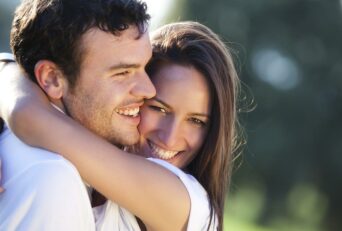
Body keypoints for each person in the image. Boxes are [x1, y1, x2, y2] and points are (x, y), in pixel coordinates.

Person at [0, 21, 243, 230]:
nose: (170, 138)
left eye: (196, 121)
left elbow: (28, 114)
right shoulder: (80, 167)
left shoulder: (189, 205)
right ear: (136, 97)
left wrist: (8, 73)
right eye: (158, 108)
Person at [0, 0, 155, 230]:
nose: (149, 90)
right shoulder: (51, 179)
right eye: (122, 72)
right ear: (52, 78)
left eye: (146, 67)